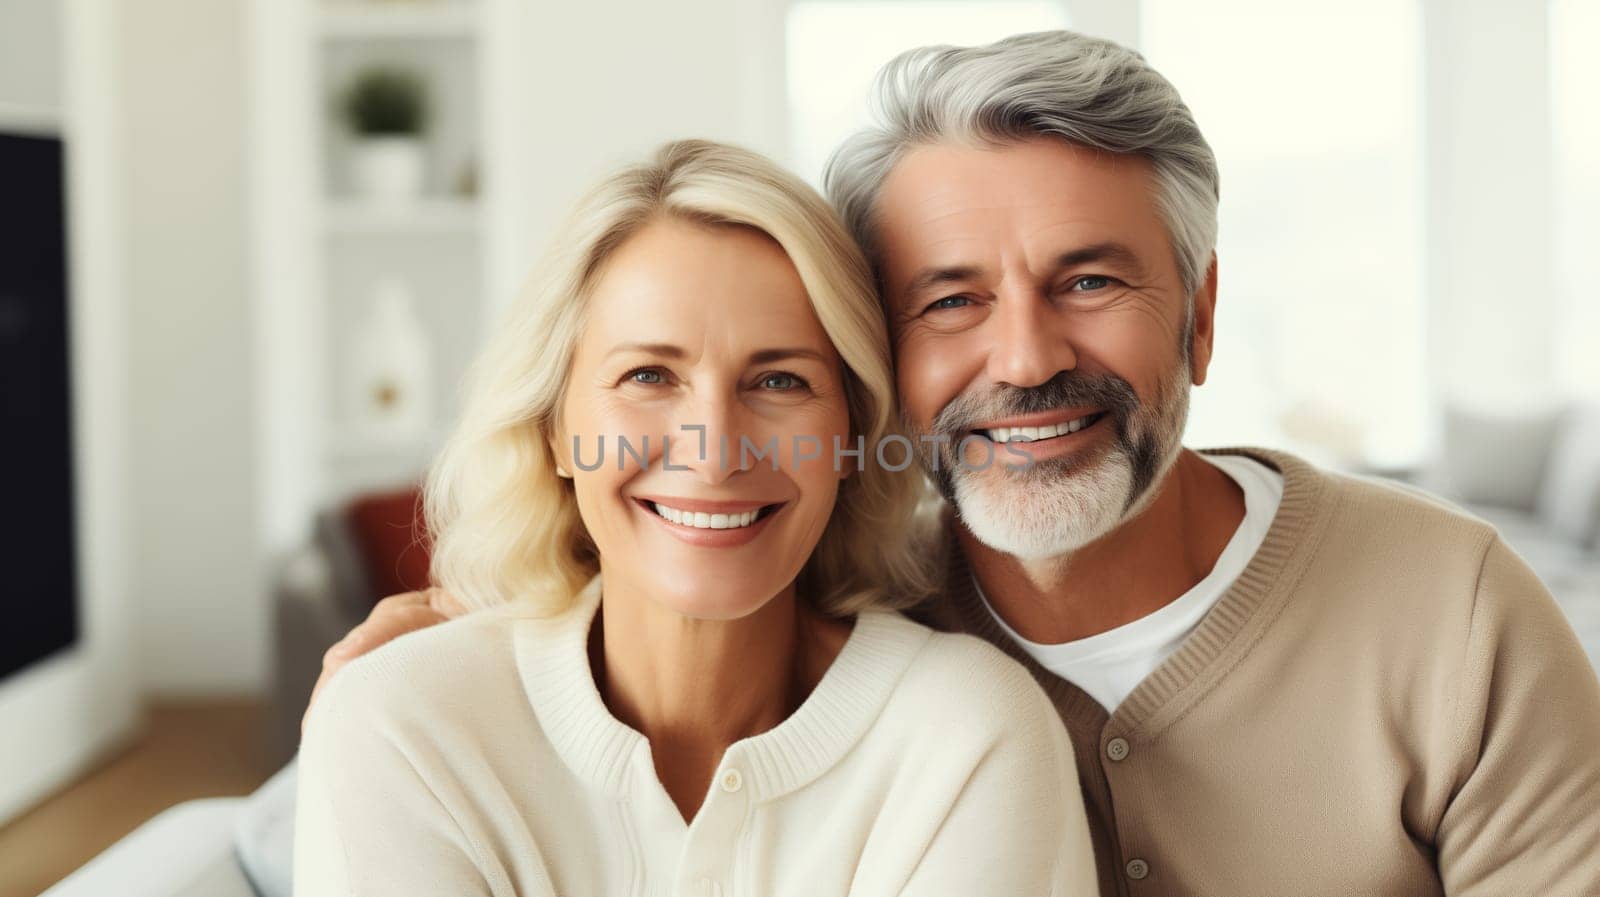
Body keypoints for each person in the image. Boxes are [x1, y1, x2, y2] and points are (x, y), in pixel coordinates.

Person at [311, 31, 1600, 895]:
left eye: (1088, 281)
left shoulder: (1457, 613)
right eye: (951, 299)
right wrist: (481, 625)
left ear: (1201, 317)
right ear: (886, 355)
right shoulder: (839, 603)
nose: (1027, 358)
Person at [293, 139, 1097, 896]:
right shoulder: (401, 720)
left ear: (852, 436)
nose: (714, 454)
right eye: (648, 374)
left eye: (779, 381)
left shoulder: (965, 737)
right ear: (554, 429)